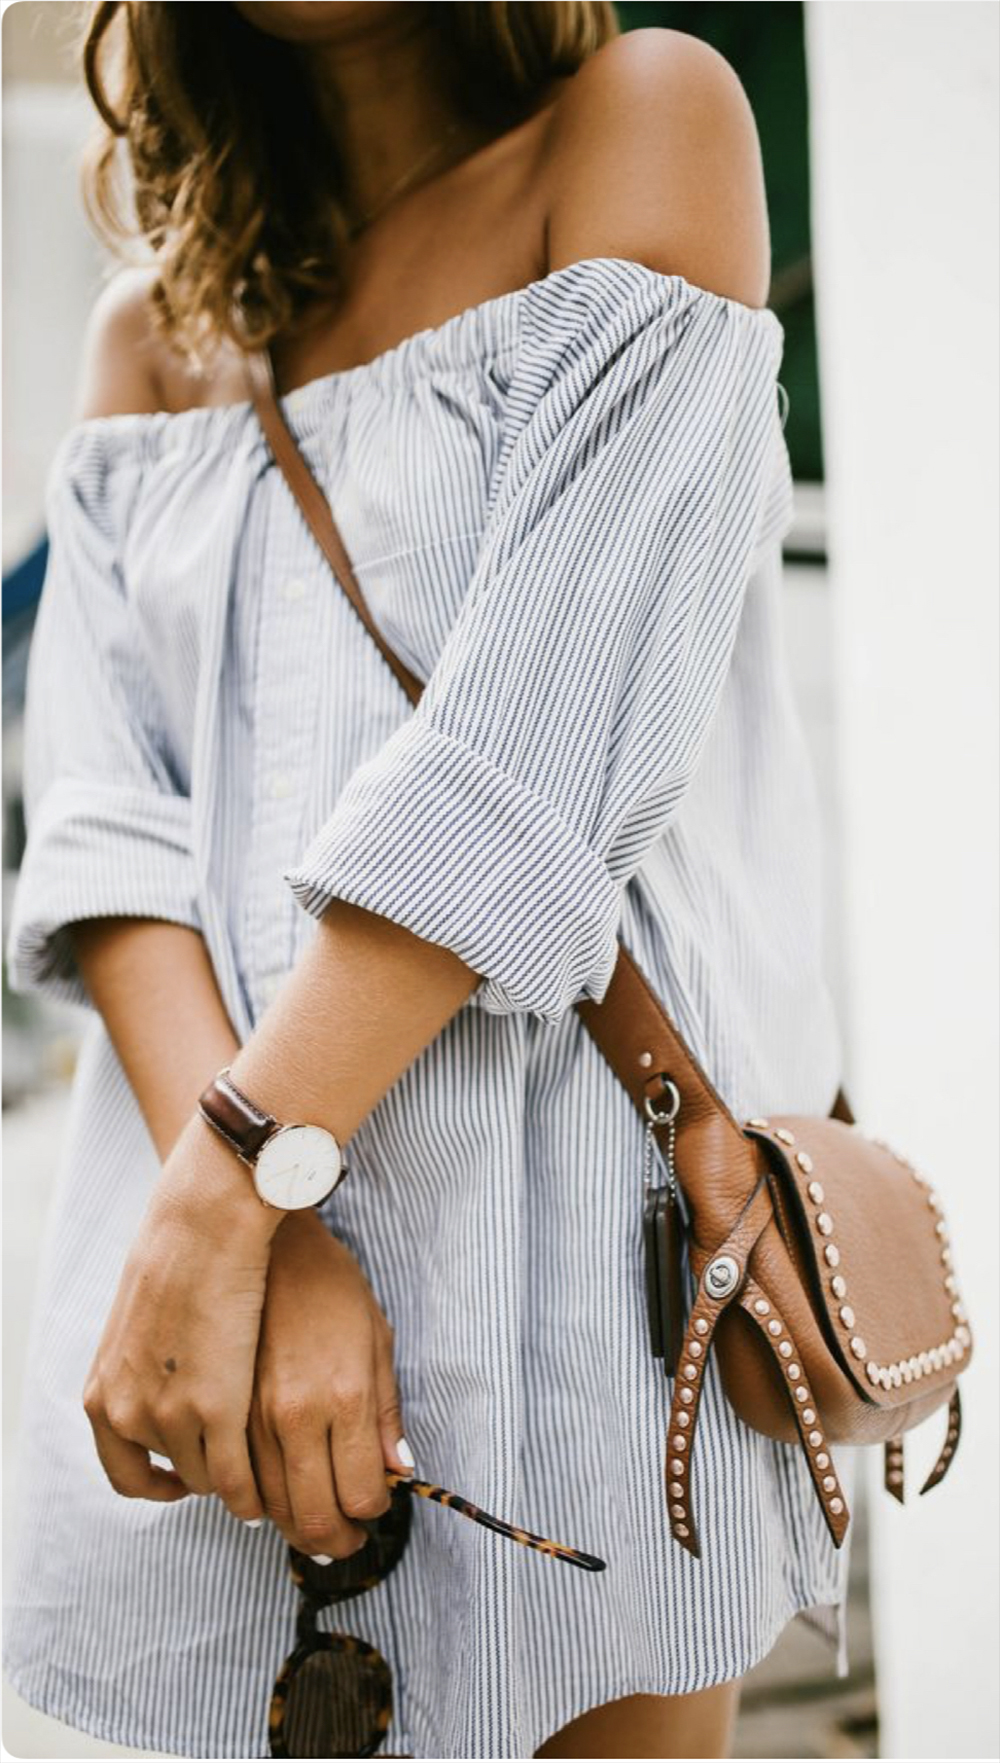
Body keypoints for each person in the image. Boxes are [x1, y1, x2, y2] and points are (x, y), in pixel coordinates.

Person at [4, 3, 851, 1758]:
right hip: (228, 1310)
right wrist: (251, 1218)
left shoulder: (640, 126)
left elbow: (534, 744)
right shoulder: (156, 339)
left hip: (551, 1276)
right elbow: (110, 835)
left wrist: (243, 1174)